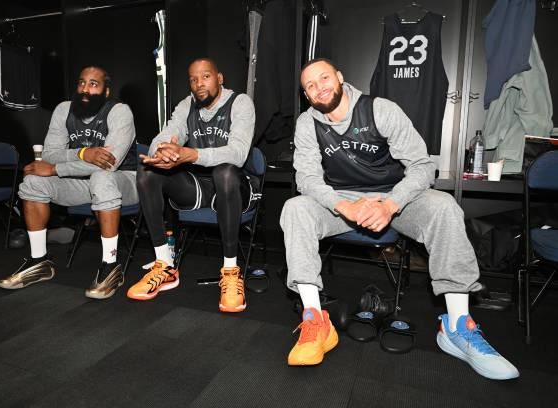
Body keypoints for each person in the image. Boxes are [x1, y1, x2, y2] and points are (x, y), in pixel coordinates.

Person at [280, 58, 519, 380]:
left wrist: (390, 204)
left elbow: (422, 166)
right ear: (306, 95)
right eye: (310, 85)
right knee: (295, 208)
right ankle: (315, 320)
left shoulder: (380, 110)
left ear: (339, 77)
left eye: (324, 78)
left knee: (444, 206)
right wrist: (344, 206)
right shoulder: (307, 123)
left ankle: (458, 327)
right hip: (344, 200)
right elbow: (307, 179)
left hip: (393, 197)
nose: (319, 88)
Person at [0, 66, 138, 300]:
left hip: (124, 182)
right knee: (33, 181)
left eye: (93, 84)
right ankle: (39, 261)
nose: (85, 89)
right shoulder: (64, 109)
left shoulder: (119, 112)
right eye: (82, 83)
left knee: (102, 177)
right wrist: (84, 153)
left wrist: (56, 169)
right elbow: (50, 153)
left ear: (106, 91)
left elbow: (109, 164)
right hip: (80, 182)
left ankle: (110, 265)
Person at [128, 57, 256, 313]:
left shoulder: (240, 103)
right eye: (193, 79)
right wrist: (162, 150)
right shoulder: (187, 105)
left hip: (233, 188)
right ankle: (165, 265)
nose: (199, 84)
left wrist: (192, 155)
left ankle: (231, 271)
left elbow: (238, 153)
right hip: (199, 186)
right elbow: (168, 133)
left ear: (219, 78)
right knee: (148, 171)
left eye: (205, 77)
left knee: (225, 171)